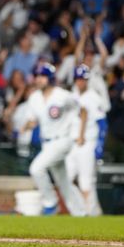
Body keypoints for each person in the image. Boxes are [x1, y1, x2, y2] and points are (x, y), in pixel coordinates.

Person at [25, 63, 86, 216]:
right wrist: (25, 126)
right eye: (37, 76)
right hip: (47, 143)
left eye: (43, 76)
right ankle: (80, 213)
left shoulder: (62, 95)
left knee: (36, 168)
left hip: (62, 140)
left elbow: (82, 109)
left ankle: (50, 203)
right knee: (63, 182)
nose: (39, 80)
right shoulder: (34, 98)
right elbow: (33, 120)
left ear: (50, 78)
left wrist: (80, 134)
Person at [64, 65, 104, 215]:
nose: (80, 82)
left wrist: (99, 146)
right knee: (65, 179)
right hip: (72, 143)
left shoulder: (94, 97)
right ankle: (81, 211)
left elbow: (102, 124)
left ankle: (92, 214)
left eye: (83, 79)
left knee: (86, 183)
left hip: (87, 143)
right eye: (78, 79)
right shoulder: (72, 96)